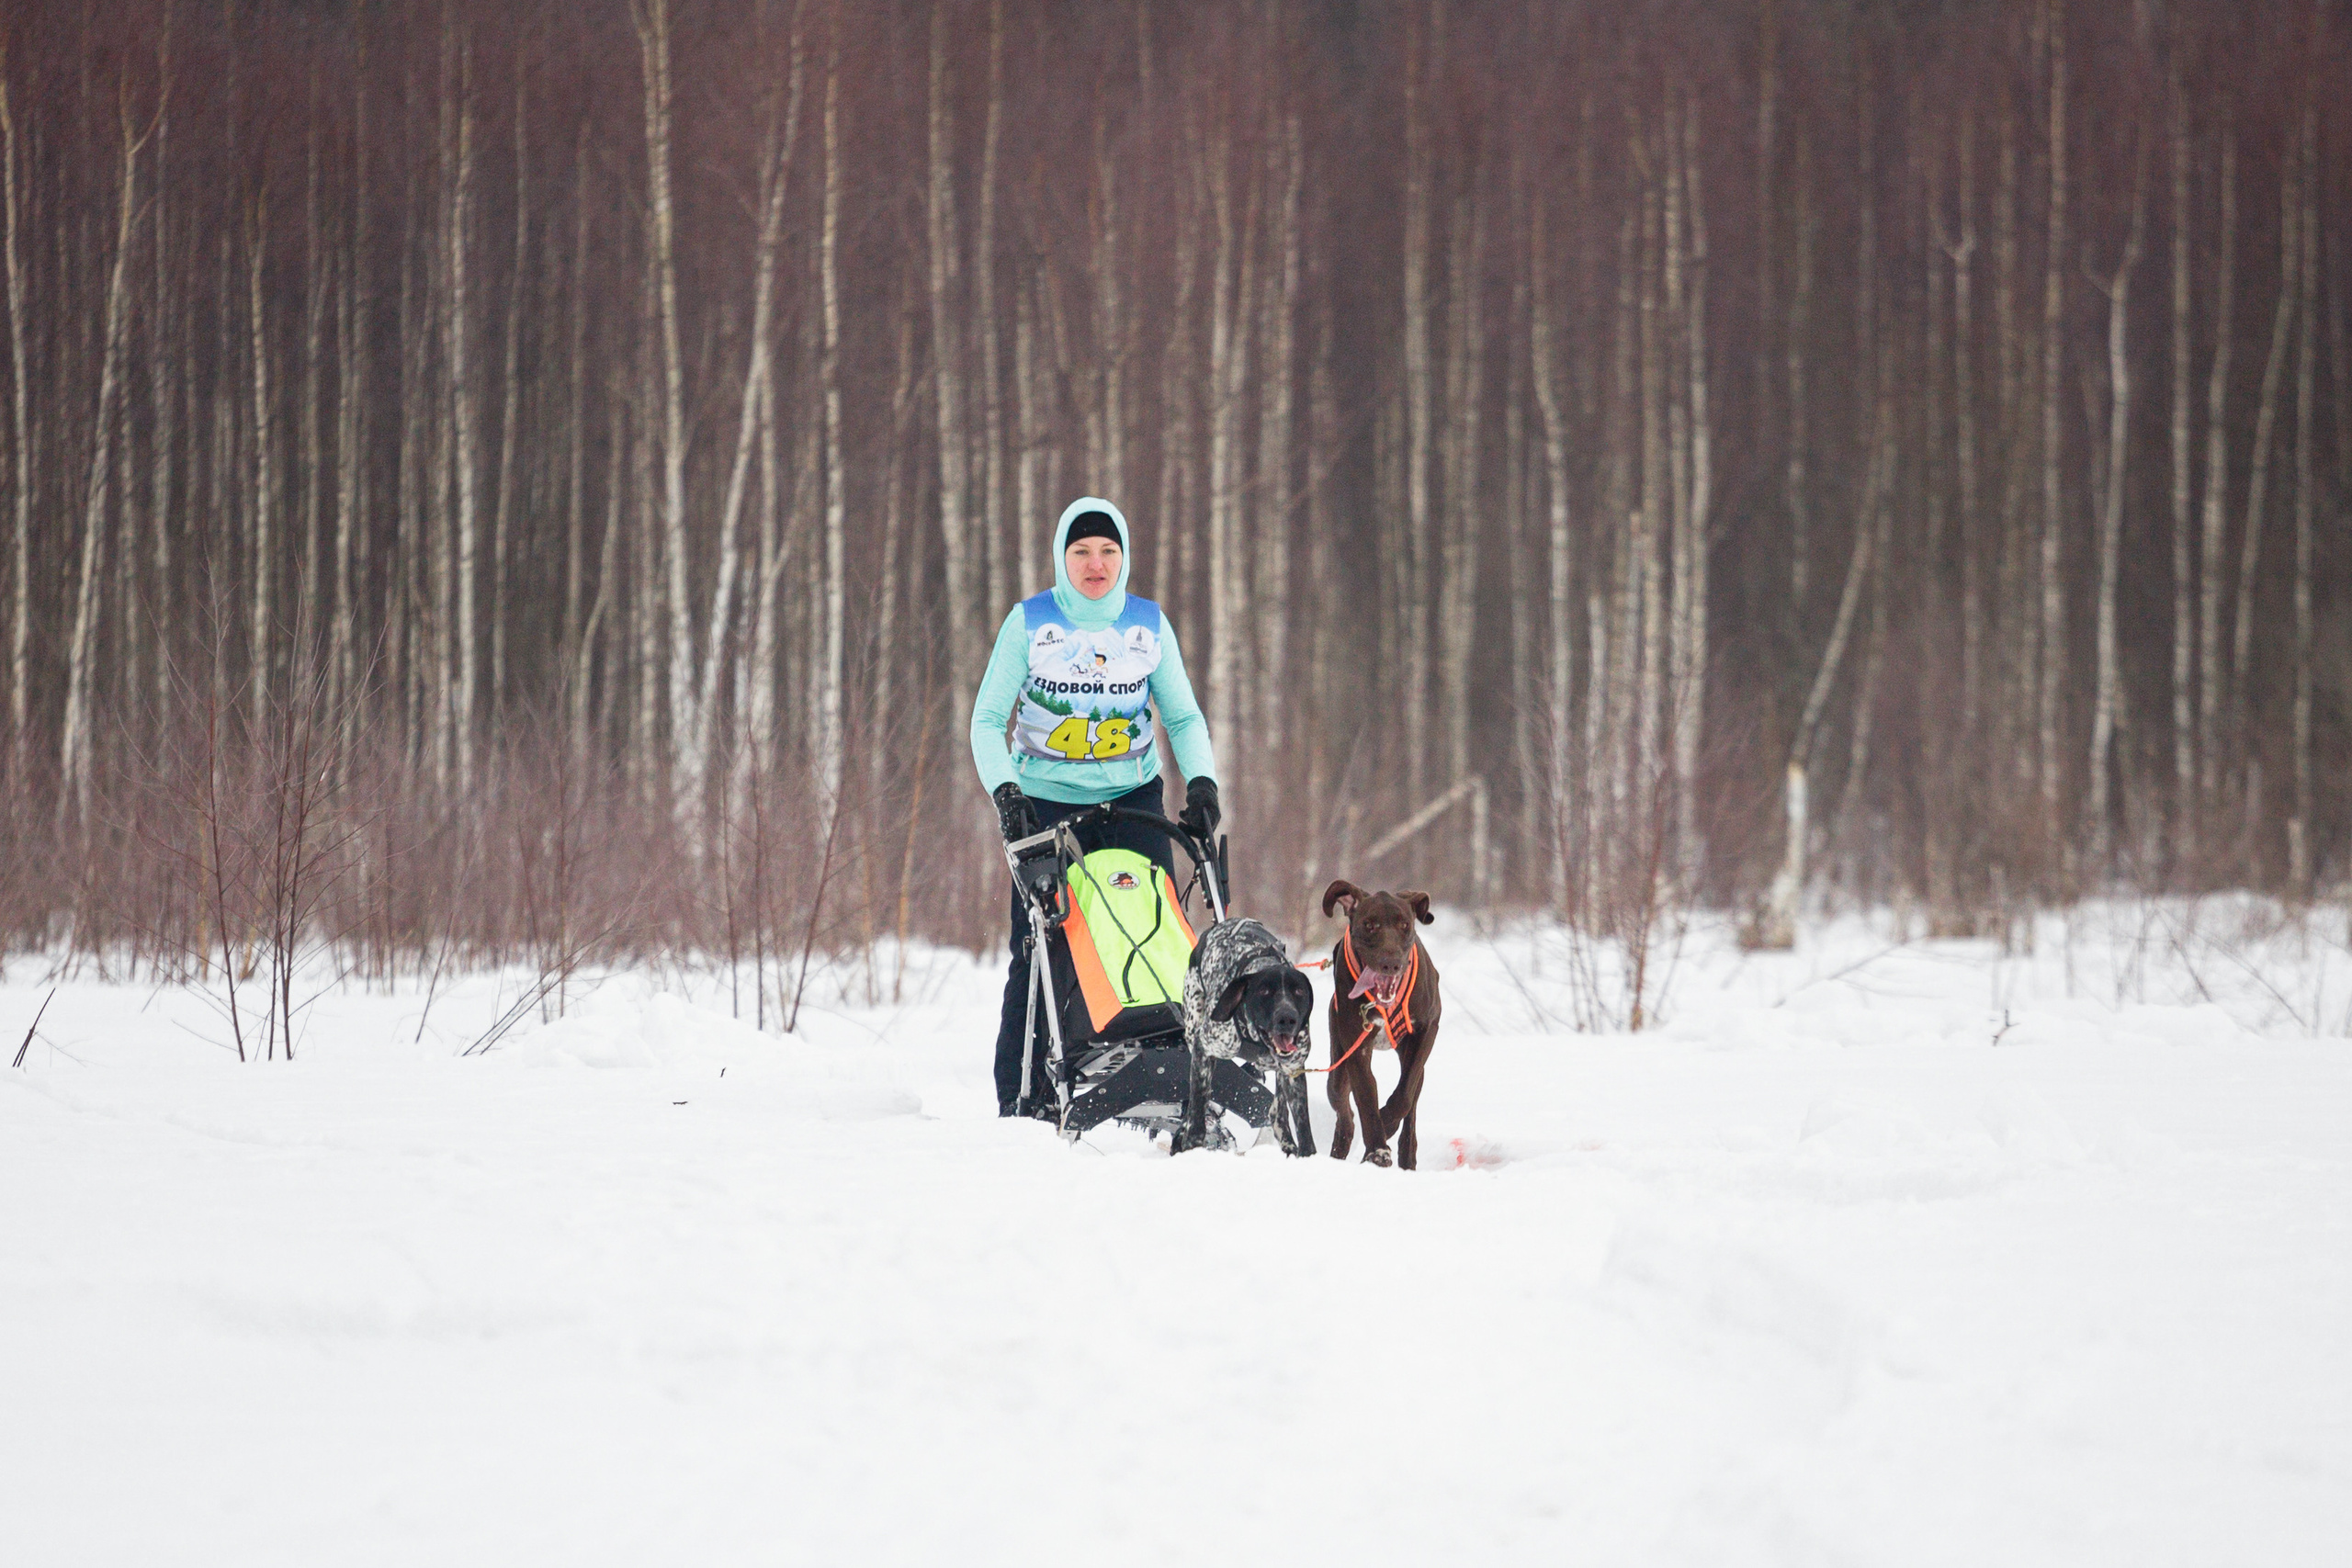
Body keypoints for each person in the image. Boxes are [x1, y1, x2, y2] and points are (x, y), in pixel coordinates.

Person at [969, 497, 1220, 1116]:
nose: (1095, 563)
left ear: (1124, 556)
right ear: (1061, 556)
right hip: (1044, 806)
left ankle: (1168, 1077)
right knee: (1040, 948)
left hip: (1133, 796)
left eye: (1108, 551)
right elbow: (986, 721)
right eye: (1081, 551)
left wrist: (1203, 785)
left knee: (1153, 929)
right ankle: (1022, 1097)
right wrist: (1008, 796)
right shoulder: (1029, 624)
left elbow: (1183, 715)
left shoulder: (1146, 625)